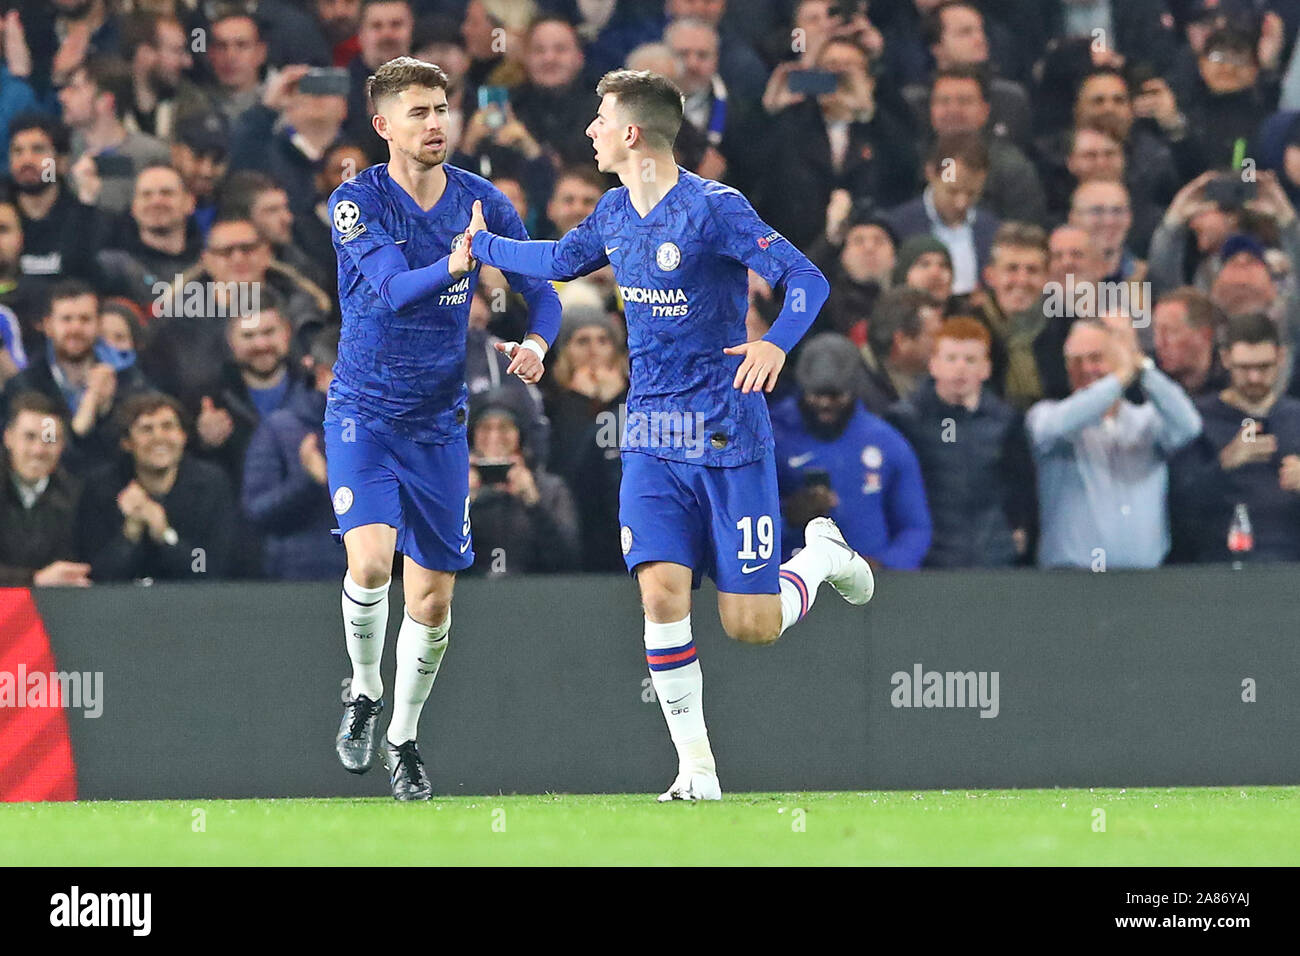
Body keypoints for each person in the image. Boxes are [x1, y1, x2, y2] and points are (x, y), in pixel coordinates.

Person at [464, 68, 873, 803]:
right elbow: (559, 262)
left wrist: (777, 341)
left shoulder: (716, 209)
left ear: (630, 133)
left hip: (726, 435)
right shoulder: (616, 210)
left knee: (751, 625)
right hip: (651, 434)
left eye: (598, 118)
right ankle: (698, 769)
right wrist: (484, 244)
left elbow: (806, 277)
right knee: (660, 595)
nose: (588, 129)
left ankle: (817, 558)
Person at [326, 57, 562, 800]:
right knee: (369, 564)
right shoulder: (355, 202)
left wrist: (538, 343)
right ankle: (364, 692)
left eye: (442, 108)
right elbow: (394, 291)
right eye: (419, 112)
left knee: (431, 601)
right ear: (382, 124)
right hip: (363, 412)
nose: (435, 123)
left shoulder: (484, 199)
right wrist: (458, 261)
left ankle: (404, 738)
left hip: (437, 424)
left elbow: (539, 293)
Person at [1026, 317, 1201, 569]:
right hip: (1069, 583)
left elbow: (1189, 426)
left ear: (1119, 359)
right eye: (1075, 361)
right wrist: (1120, 377)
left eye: (1096, 358)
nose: (1086, 369)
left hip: (1146, 583)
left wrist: (1142, 367)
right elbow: (1054, 426)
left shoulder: (1147, 421)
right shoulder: (1047, 416)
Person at [773, 333, 931, 570]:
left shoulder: (886, 442)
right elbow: (742, 525)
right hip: (790, 582)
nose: (825, 404)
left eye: (836, 396)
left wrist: (883, 566)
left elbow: (915, 528)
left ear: (854, 389)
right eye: (816, 395)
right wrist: (789, 517)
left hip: (870, 588)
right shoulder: (773, 438)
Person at [888, 317, 1033, 567]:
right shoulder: (905, 421)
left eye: (970, 359)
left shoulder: (1007, 422)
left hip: (994, 559)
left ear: (986, 368)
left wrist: (1017, 535)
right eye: (951, 358)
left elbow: (1021, 489)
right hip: (928, 561)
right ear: (933, 364)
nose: (960, 368)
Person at [1172, 313, 1300, 563]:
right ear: (1226, 359)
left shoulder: (1296, 417)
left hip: (1289, 565)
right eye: (1244, 368)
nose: (1254, 377)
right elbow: (1176, 505)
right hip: (1216, 565)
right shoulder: (1197, 419)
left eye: (1264, 367)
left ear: (1281, 358)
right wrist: (1223, 464)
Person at [77, 392, 236, 581]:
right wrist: (129, 535)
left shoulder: (211, 485)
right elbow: (96, 575)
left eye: (168, 427)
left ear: (183, 436)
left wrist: (166, 536)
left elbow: (206, 568)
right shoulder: (101, 489)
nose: (159, 437)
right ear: (127, 443)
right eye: (146, 429)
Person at [242, 326, 348, 580]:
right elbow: (256, 511)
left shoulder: (383, 428)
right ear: (323, 375)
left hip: (382, 578)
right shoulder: (280, 428)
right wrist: (308, 481)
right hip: (299, 583)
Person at [466, 400, 578, 576]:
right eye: (485, 428)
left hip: (535, 593)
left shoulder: (550, 489)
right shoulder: (458, 489)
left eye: (504, 427)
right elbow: (434, 554)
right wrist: (464, 504)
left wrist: (533, 503)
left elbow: (570, 559)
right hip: (470, 593)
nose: (494, 437)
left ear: (520, 435)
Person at [0, 392, 89, 587]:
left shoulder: (79, 497)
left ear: (62, 446)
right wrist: (34, 580)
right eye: (29, 437)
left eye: (49, 439)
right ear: (8, 438)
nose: (38, 450)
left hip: (56, 612)